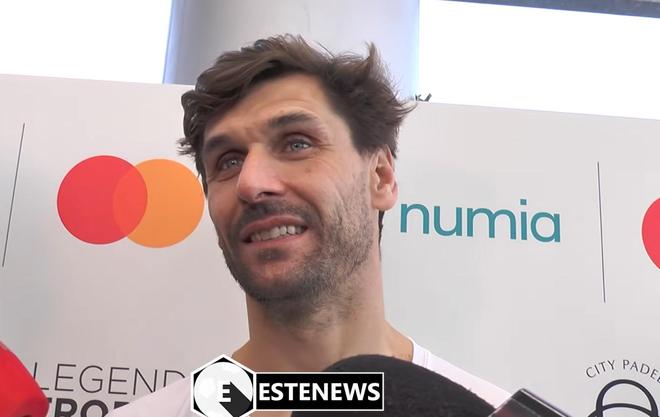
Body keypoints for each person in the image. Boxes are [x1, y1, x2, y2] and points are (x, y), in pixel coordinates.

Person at [108, 34, 508, 417]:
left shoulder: (490, 411)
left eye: (297, 143)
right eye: (228, 161)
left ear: (381, 177)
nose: (250, 182)